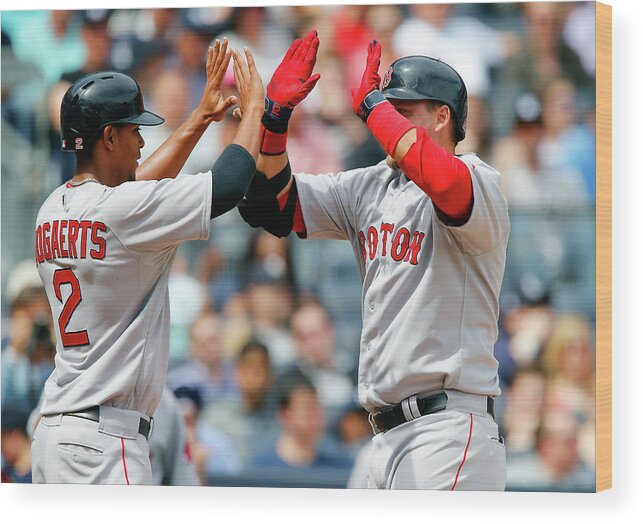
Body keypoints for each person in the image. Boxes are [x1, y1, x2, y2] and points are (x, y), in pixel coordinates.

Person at [238, 32, 510, 490]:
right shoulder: (372, 184)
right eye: (388, 109)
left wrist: (371, 106)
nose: (386, 122)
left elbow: (445, 183)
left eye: (401, 112)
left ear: (443, 116)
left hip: (447, 428)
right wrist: (275, 117)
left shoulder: (480, 180)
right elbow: (272, 205)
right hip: (383, 436)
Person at [30, 39, 265, 485]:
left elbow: (134, 190)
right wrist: (255, 111)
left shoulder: (51, 209)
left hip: (56, 433)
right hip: (104, 441)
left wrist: (199, 118)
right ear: (109, 137)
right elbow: (230, 184)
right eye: (133, 130)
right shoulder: (121, 211)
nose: (141, 140)